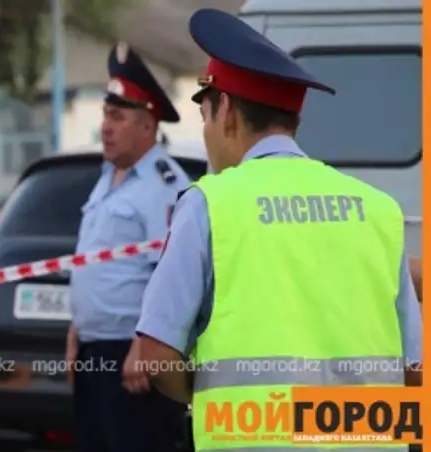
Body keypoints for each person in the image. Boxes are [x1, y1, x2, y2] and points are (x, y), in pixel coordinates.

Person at [134, 8, 423, 451]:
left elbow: (155, 355)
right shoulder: (379, 210)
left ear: (225, 111)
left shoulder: (209, 205)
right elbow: (413, 366)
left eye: (206, 117)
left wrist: (207, 399)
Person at [67, 42, 192, 452]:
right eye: (105, 114)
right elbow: (94, 262)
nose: (105, 126)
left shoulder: (165, 186)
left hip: (131, 355)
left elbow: (170, 274)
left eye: (117, 117)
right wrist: (76, 331)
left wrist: (143, 347)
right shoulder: (108, 176)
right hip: (94, 350)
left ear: (146, 126)